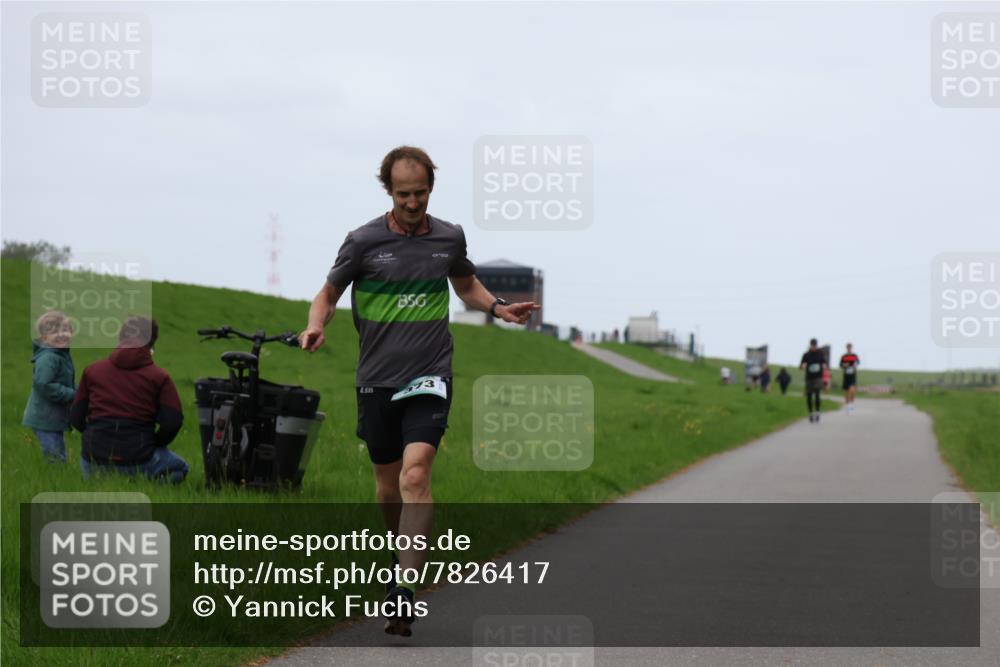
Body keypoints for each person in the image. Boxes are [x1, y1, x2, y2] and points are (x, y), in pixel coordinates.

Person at [299, 146, 538, 637]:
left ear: (432, 187)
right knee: (388, 487)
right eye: (404, 194)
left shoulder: (448, 236)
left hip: (430, 374)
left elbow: (465, 285)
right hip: (376, 379)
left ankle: (405, 586)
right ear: (389, 191)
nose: (413, 203)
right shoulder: (363, 241)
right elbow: (328, 293)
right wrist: (315, 325)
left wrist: (499, 308)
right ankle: (399, 556)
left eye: (422, 193)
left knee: (414, 475)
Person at [70, 316, 188, 483]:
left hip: (92, 461)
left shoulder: (92, 371)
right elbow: (172, 422)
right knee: (180, 468)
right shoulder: (160, 377)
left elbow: (75, 417)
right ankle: (148, 489)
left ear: (120, 337)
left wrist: (96, 433)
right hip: (139, 458)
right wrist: (155, 443)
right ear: (152, 341)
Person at [22, 310, 76, 462]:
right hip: (45, 417)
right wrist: (72, 395)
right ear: (44, 337)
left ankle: (59, 475)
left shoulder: (61, 354)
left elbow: (65, 382)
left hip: (53, 416)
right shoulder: (49, 358)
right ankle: (56, 479)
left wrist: (82, 391)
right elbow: (44, 384)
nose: (61, 334)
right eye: (54, 332)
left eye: (65, 330)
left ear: (72, 332)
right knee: (55, 458)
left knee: (58, 453)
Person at [800, 338, 828, 423]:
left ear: (816, 345)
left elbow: (824, 363)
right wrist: (803, 365)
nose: (814, 347)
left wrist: (824, 365)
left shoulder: (820, 354)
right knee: (809, 396)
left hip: (818, 377)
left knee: (817, 394)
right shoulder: (806, 355)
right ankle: (810, 413)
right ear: (810, 345)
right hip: (809, 377)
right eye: (812, 345)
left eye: (815, 345)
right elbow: (801, 365)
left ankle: (817, 412)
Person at [840, 343, 861, 414]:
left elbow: (858, 363)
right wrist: (844, 365)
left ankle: (851, 405)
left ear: (852, 348)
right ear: (846, 348)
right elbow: (840, 365)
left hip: (853, 375)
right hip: (846, 376)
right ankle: (847, 405)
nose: (849, 349)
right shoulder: (844, 356)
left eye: (850, 347)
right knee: (846, 392)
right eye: (848, 348)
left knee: (852, 390)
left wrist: (855, 365)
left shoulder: (854, 356)